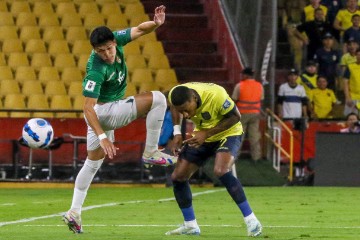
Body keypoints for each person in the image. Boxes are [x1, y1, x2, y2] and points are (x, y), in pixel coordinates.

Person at [62, 5, 177, 234]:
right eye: (101, 51)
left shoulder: (118, 40)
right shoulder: (95, 70)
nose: (107, 54)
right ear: (94, 50)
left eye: (109, 48)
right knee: (157, 99)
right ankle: (151, 151)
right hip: (102, 114)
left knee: (92, 163)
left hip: (105, 116)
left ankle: (74, 211)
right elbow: (87, 107)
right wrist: (104, 137)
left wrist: (156, 23)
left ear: (114, 42)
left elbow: (140, 30)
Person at [165, 82, 262, 237]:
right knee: (178, 177)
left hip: (228, 133)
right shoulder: (176, 93)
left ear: (194, 98)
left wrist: (207, 134)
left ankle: (252, 220)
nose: (186, 116)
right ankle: (190, 225)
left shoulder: (216, 94)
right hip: (202, 134)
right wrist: (177, 133)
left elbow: (236, 117)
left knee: (221, 170)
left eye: (187, 110)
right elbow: (174, 107)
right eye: (182, 112)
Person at [231, 67, 263, 162]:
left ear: (246, 75)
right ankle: (256, 157)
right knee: (254, 136)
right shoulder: (259, 86)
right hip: (255, 114)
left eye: (243, 74)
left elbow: (234, 99)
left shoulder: (240, 85)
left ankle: (235, 156)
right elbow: (261, 99)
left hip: (242, 114)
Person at [343, 48, 360, 116]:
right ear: (355, 56)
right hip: (353, 97)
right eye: (358, 55)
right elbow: (345, 83)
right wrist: (347, 97)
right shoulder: (350, 67)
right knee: (350, 118)